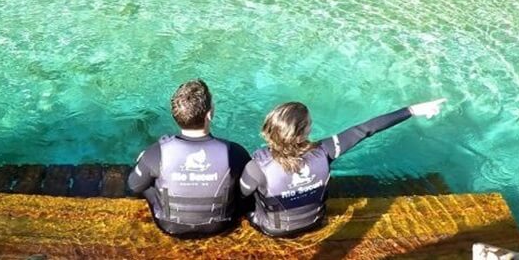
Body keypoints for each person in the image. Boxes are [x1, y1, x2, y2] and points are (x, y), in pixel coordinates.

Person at [239, 98, 446, 237]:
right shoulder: (326, 151)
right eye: (310, 123)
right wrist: (412, 110)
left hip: (271, 229)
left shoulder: (258, 164)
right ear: (304, 131)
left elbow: (241, 194)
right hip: (315, 221)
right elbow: (365, 129)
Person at [127, 79, 251, 237]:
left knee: (147, 178)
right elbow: (247, 191)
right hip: (220, 225)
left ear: (175, 115)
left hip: (169, 225)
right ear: (209, 114)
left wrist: (144, 160)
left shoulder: (157, 152)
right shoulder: (234, 151)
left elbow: (134, 186)